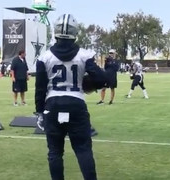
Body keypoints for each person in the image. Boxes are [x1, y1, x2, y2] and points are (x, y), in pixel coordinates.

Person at [35, 14, 106, 180]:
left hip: (52, 105)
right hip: (76, 103)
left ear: (56, 31)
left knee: (54, 152)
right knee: (83, 150)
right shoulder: (84, 55)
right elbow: (102, 79)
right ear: (75, 31)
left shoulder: (44, 57)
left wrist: (39, 112)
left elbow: (40, 89)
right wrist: (89, 84)